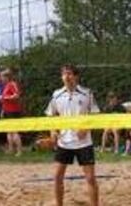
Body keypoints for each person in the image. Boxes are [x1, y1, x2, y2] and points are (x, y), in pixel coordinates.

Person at [45, 64, 100, 206]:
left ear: (76, 76)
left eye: (69, 74)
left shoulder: (87, 93)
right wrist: (53, 132)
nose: (67, 77)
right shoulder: (57, 94)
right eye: (64, 74)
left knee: (90, 178)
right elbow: (51, 115)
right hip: (64, 142)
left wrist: (85, 128)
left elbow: (95, 115)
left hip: (84, 142)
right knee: (57, 177)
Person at [0, 68, 23, 156]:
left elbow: (17, 95)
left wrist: (6, 98)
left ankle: (19, 151)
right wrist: (2, 110)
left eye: (2, 77)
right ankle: (11, 149)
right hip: (7, 110)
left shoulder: (12, 84)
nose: (1, 79)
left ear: (7, 77)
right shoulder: (6, 85)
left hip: (13, 111)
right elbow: (4, 99)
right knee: (9, 131)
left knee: (14, 131)